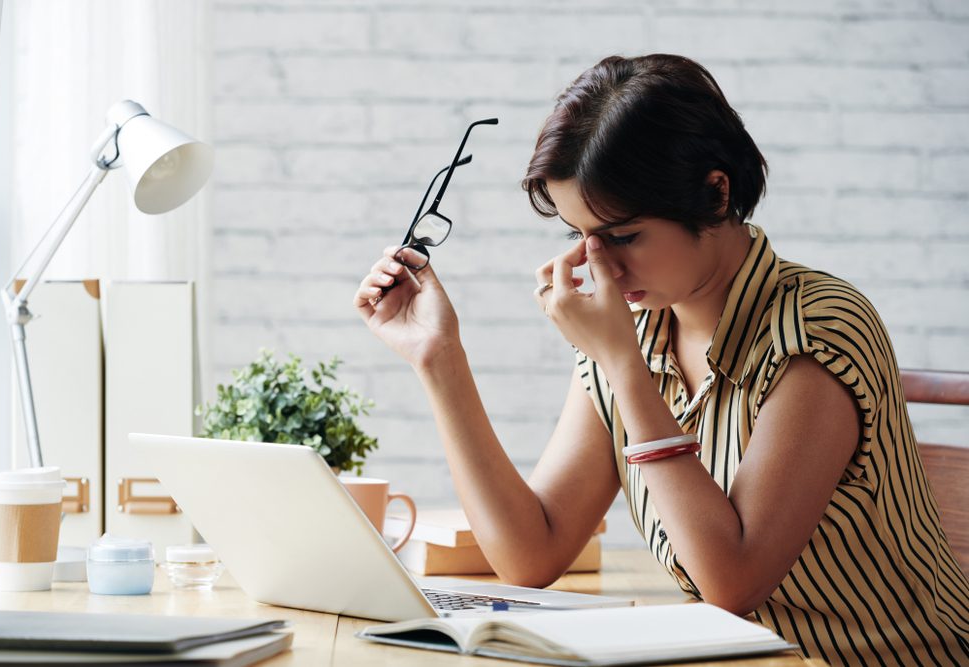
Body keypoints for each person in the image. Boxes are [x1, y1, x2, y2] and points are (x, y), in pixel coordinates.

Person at [353, 54, 969, 665]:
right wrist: (440, 358)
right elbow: (530, 555)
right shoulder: (634, 331)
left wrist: (623, 365)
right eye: (581, 237)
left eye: (623, 236)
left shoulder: (819, 330)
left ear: (714, 192)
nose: (603, 267)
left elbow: (732, 583)